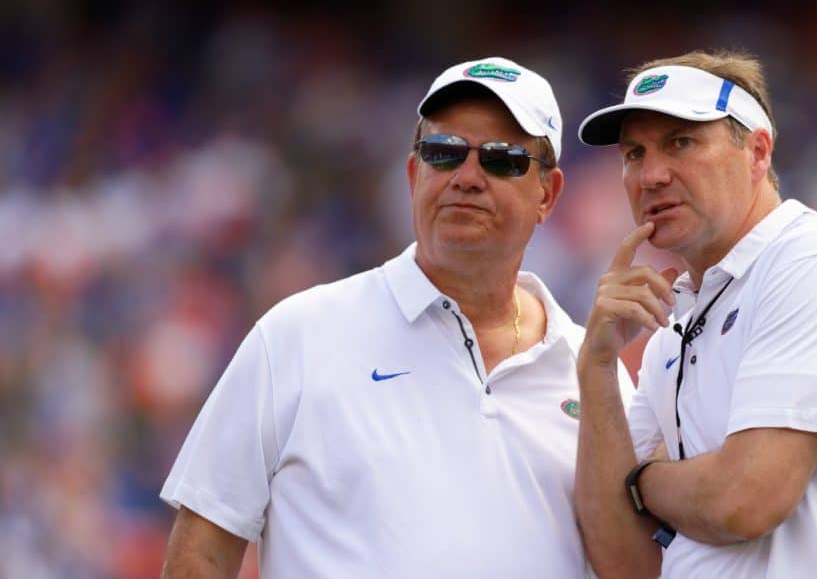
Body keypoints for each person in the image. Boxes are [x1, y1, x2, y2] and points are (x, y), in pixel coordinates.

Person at [159, 56, 633, 578]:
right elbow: (199, 557)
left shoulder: (593, 373)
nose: (467, 177)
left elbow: (632, 566)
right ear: (414, 174)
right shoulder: (296, 336)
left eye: (501, 159)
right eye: (443, 153)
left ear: (548, 193)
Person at [572, 50, 817, 578]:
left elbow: (744, 499)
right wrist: (596, 367)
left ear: (757, 152)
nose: (651, 174)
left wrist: (643, 480)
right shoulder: (668, 335)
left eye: (681, 142)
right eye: (634, 153)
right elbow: (621, 562)